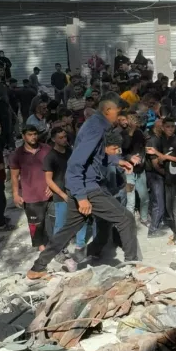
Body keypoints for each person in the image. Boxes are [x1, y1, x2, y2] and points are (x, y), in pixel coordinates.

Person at [29, 100, 139, 278]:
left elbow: (96, 156)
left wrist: (118, 161)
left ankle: (37, 268)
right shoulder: (95, 129)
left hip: (83, 186)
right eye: (119, 111)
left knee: (75, 229)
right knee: (126, 218)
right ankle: (133, 266)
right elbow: (74, 164)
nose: (121, 116)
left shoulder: (97, 126)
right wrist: (81, 197)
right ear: (108, 110)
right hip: (86, 187)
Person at [43, 127, 89, 257]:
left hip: (74, 190)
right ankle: (58, 248)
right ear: (53, 139)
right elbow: (48, 180)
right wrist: (62, 195)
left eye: (65, 137)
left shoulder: (69, 150)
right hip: (61, 195)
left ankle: (80, 244)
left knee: (82, 217)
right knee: (61, 223)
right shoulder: (50, 157)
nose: (64, 139)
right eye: (61, 138)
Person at [146, 117, 176, 245]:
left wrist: (167, 157)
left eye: (172, 126)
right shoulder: (162, 141)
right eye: (167, 127)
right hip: (168, 178)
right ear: (163, 128)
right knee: (169, 208)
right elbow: (164, 157)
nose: (170, 129)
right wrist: (157, 154)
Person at [10, 125, 51, 251]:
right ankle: (41, 247)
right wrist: (16, 194)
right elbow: (14, 176)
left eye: (35, 134)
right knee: (36, 224)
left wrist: (53, 185)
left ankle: (55, 245)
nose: (33, 137)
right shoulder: (17, 154)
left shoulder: (46, 149)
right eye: (30, 134)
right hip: (30, 196)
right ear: (23, 136)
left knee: (52, 222)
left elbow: (56, 168)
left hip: (49, 193)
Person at [121, 113, 149, 224]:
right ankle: (130, 222)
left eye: (135, 119)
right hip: (129, 171)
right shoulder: (122, 134)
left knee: (144, 197)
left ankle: (144, 218)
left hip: (140, 170)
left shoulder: (140, 132)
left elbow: (143, 148)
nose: (134, 121)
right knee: (130, 200)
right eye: (131, 119)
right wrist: (131, 132)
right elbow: (125, 148)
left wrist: (142, 158)